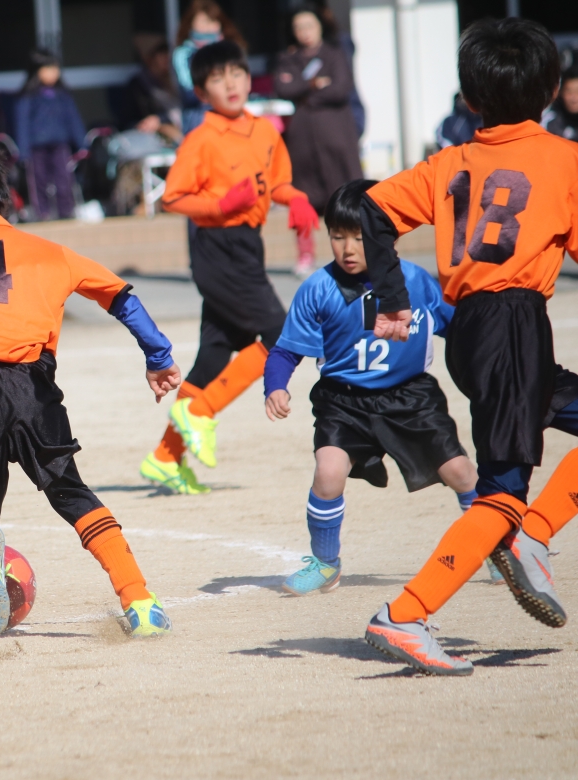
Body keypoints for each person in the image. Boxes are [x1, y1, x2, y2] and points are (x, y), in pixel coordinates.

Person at [359, 18, 578, 675]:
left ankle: (532, 537)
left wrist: (392, 296)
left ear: (470, 97)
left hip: (474, 329)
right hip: (513, 327)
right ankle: (405, 614)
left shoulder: (446, 163)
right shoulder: (563, 159)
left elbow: (371, 211)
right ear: (551, 89)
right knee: (503, 491)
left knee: (513, 491)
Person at [0, 132, 177, 637]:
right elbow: (120, 296)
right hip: (33, 385)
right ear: (0, 194)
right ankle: (139, 600)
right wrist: (157, 355)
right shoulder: (49, 251)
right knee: (70, 490)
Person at [263, 180, 478, 595]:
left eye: (359, 238)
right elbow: (285, 351)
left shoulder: (416, 282)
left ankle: (498, 545)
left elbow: (460, 329)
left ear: (386, 236)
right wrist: (276, 386)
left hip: (411, 397)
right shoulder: (318, 288)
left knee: (460, 472)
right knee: (328, 472)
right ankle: (326, 563)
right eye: (337, 236)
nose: (347, 249)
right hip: (343, 401)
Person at [139, 41, 319, 495]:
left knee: (214, 356)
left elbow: (277, 183)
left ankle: (165, 457)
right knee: (281, 335)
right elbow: (173, 197)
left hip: (247, 245)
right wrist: (220, 205)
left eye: (236, 73)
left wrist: (297, 199)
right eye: (218, 79)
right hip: (217, 247)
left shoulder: (265, 131)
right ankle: (199, 413)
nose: (231, 84)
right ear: (202, 92)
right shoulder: (201, 138)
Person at [274, 4, 364, 277]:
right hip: (303, 142)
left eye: (309, 26)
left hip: (336, 137)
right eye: (298, 27)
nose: (304, 32)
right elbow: (283, 87)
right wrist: (313, 84)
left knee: (347, 198)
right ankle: (305, 255)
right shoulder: (288, 58)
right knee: (303, 198)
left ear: (320, 27)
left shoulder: (335, 54)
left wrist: (304, 94)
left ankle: (360, 251)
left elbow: (340, 88)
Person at [15, 49, 87, 221]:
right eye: (47, 69)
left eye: (55, 68)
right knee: (38, 180)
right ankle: (43, 213)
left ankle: (66, 211)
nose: (53, 73)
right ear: (36, 71)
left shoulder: (63, 94)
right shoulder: (28, 96)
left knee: (64, 178)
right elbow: (22, 124)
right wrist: (23, 151)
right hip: (36, 147)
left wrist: (82, 143)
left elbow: (73, 119)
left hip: (60, 144)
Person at [171, 0, 246, 136]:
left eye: (213, 21)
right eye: (205, 21)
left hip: (231, 118)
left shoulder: (230, 49)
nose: (209, 26)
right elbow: (189, 92)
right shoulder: (184, 54)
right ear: (191, 23)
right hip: (198, 118)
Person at [124, 35, 183, 145]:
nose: (167, 59)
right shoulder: (139, 85)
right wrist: (158, 121)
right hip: (149, 135)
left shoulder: (177, 80)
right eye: (161, 55)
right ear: (150, 58)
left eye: (168, 54)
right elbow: (134, 120)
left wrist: (161, 119)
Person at [544, 65, 578, 142]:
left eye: (577, 91)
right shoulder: (547, 121)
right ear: (560, 93)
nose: (574, 98)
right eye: (569, 92)